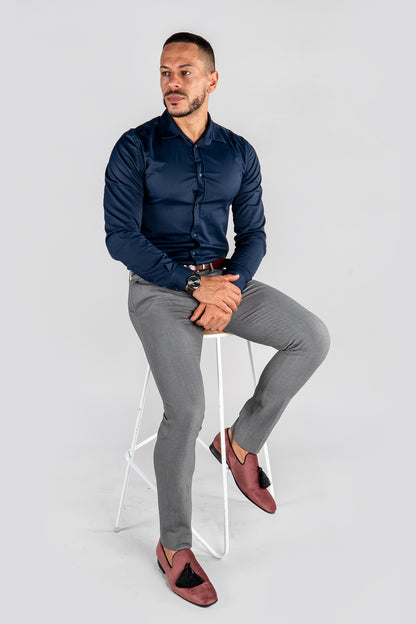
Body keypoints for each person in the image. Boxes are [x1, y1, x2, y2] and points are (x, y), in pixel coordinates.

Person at [103, 31, 330, 607]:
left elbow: (253, 234)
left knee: (311, 337)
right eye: (164, 72)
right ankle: (174, 545)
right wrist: (190, 285)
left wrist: (228, 289)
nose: (172, 83)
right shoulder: (134, 148)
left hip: (225, 282)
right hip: (159, 289)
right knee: (186, 410)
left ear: (211, 80)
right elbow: (120, 238)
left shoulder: (239, 152)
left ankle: (241, 443)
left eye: (184, 72)